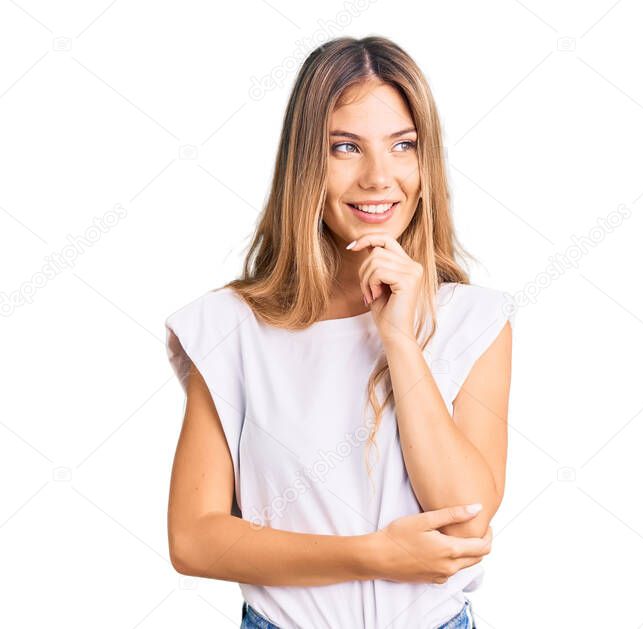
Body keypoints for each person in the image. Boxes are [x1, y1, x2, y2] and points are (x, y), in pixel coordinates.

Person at [163, 36, 515, 629]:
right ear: (305, 164)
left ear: (425, 165)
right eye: (345, 147)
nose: (379, 177)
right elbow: (195, 539)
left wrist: (400, 341)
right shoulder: (231, 326)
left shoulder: (472, 319)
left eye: (403, 146)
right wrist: (370, 556)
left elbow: (463, 523)